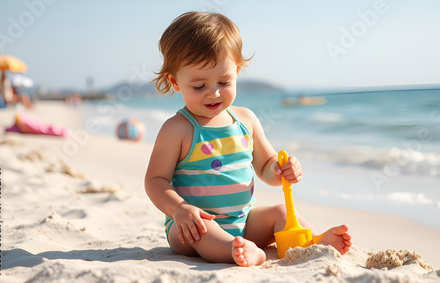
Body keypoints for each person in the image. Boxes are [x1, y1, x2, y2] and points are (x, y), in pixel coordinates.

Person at [144, 11, 352, 267]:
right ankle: (236, 250)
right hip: (191, 226)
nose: (214, 93)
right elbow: (155, 180)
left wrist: (281, 169)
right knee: (202, 231)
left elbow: (266, 167)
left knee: (281, 212)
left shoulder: (246, 120)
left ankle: (313, 241)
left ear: (238, 70)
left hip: (245, 221)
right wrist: (178, 210)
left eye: (224, 81)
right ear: (175, 82)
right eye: (199, 86)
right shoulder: (178, 129)